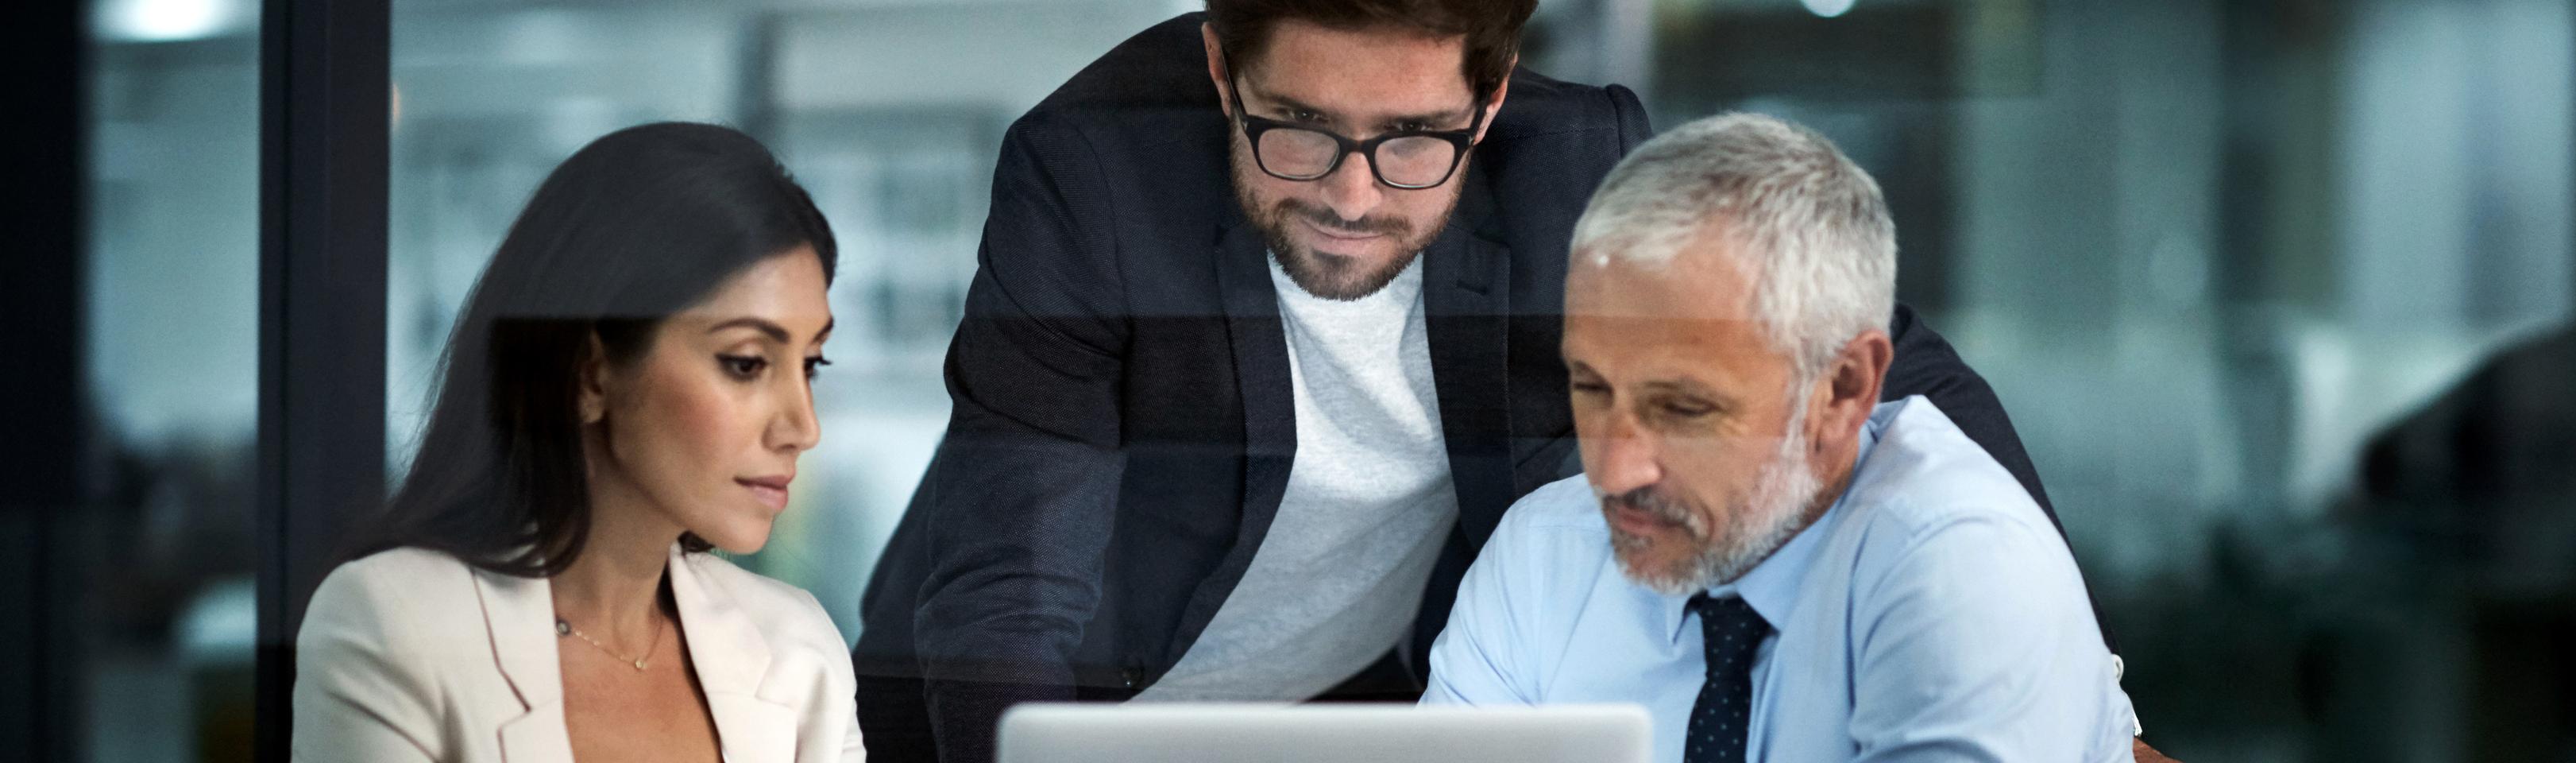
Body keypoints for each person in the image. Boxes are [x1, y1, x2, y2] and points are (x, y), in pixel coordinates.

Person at [852, 2, 2069, 760]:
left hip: (1355, 713)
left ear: (1488, 103)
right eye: (1298, 126)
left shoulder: (1571, 160)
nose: (1351, 193)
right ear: (1223, 67)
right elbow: (1008, 594)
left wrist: (2089, 699)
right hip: (1050, 721)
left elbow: (1875, 356)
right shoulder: (1090, 175)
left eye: (1412, 141)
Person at [1421, 114, 2139, 762]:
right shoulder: (1543, 553)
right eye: (1591, 386)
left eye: (1684, 409)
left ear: (1843, 391)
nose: (1613, 468)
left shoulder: (1963, 568)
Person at [292, 122, 863, 763]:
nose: (802, 427)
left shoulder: (798, 651)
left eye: (812, 364)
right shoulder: (393, 624)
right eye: (746, 362)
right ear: (589, 372)